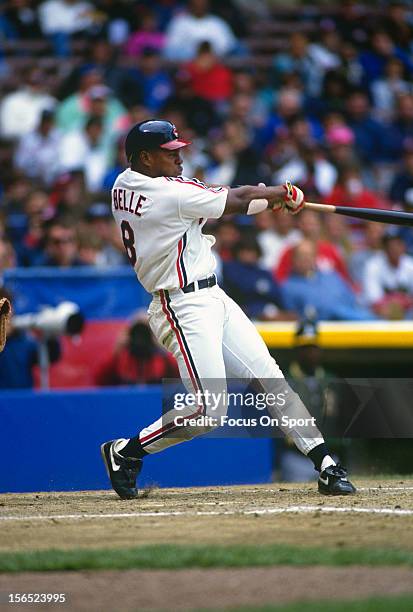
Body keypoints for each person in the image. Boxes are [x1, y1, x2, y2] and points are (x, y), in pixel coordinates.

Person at [100, 118, 356, 500]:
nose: (180, 158)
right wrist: (281, 192)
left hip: (213, 296)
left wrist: (273, 200)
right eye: (169, 154)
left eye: (179, 151)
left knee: (270, 378)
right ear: (144, 158)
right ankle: (125, 451)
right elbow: (235, 200)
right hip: (181, 305)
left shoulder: (124, 182)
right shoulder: (169, 194)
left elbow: (227, 205)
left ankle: (325, 463)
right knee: (209, 410)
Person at [95, 318, 179, 385]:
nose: (141, 337)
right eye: (137, 332)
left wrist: (162, 347)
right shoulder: (121, 360)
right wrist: (116, 351)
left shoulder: (162, 361)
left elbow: (181, 377)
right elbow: (99, 380)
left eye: (146, 332)